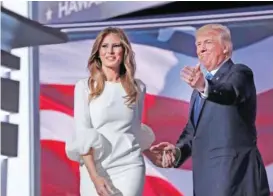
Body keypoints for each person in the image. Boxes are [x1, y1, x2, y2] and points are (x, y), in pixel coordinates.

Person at [150, 24, 270, 196]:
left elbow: (229, 93)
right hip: (206, 182)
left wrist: (203, 86)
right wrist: (176, 152)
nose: (201, 49)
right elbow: (193, 132)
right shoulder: (199, 90)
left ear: (226, 48)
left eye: (208, 42)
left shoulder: (239, 73)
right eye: (198, 44)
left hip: (235, 178)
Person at [65, 27, 161, 196]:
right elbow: (82, 134)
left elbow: (135, 129)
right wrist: (95, 178)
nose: (110, 51)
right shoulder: (84, 87)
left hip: (129, 165)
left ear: (124, 51)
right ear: (98, 52)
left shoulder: (137, 88)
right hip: (94, 168)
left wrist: (151, 153)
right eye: (104, 46)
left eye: (116, 46)